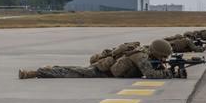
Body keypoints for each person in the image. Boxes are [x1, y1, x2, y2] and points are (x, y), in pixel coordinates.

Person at [18, 39, 175, 79]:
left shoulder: (147, 54)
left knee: (72, 70)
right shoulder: (141, 56)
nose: (164, 59)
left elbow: (154, 69)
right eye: (163, 56)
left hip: (106, 71)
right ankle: (36, 73)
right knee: (71, 72)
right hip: (101, 71)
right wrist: (172, 74)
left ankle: (49, 69)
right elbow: (150, 75)